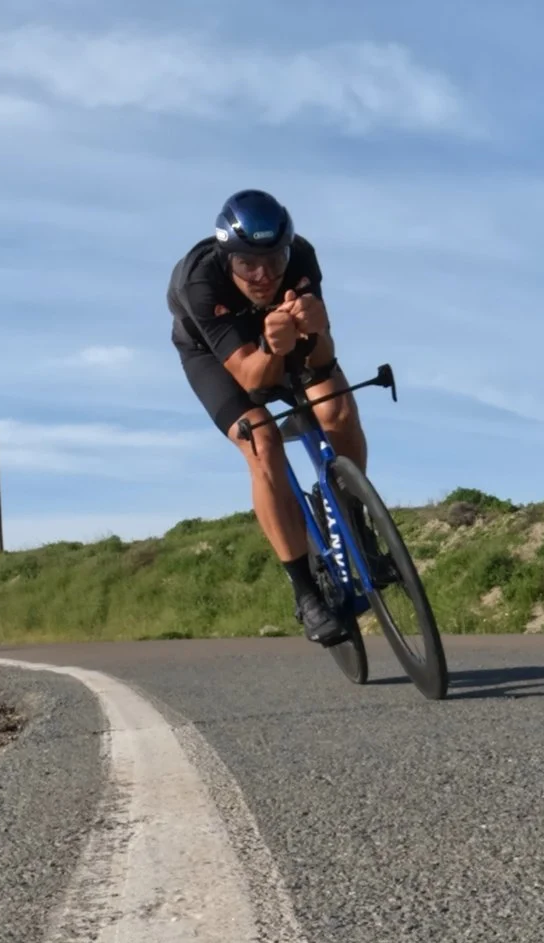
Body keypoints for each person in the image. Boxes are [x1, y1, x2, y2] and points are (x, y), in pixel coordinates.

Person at [167, 189, 372, 645]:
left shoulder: (302, 259)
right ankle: (305, 594)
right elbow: (253, 382)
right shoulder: (200, 283)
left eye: (274, 260)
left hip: (276, 335)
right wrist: (268, 345)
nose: (263, 275)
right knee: (260, 437)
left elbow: (322, 358)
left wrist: (315, 330)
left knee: (337, 407)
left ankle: (354, 518)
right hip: (216, 352)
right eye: (246, 264)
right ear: (227, 257)